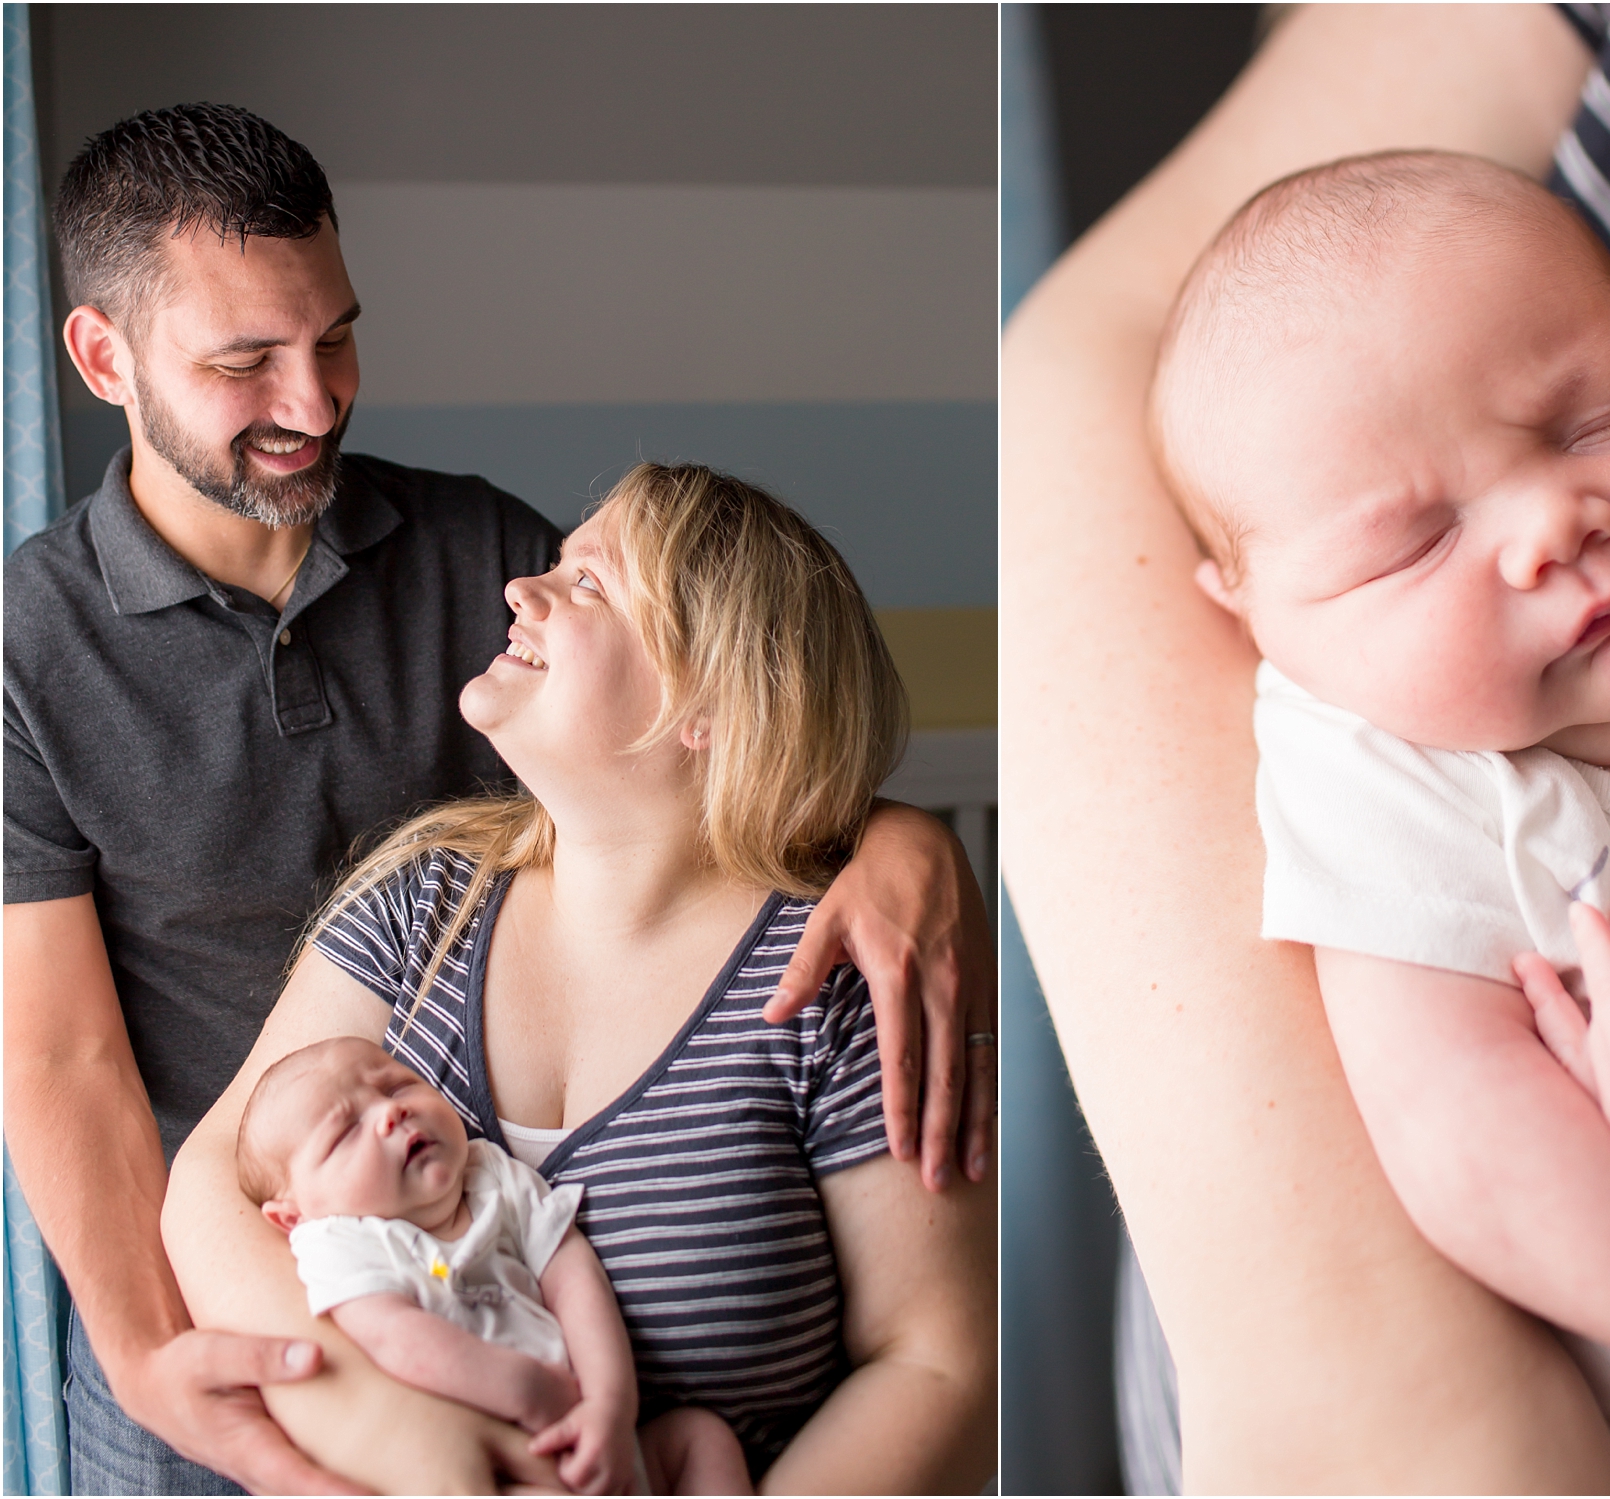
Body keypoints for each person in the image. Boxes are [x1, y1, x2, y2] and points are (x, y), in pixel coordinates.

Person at [1000, 5, 1610, 1490]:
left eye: (1603, 416)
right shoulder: (1369, 758)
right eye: (1413, 542)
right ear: (1257, 614)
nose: (1552, 523)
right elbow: (1473, 1141)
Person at [5, 102, 992, 1496]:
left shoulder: (478, 549)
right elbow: (59, 1062)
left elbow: (723, 724)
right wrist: (146, 1353)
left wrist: (910, 840)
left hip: (482, 1253)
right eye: (246, 362)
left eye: (335, 334)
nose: (315, 398)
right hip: (226, 1313)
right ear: (104, 356)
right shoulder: (26, 649)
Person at [164, 461, 998, 1494]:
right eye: (554, 562)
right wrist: (396, 1432)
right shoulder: (418, 905)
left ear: (707, 702)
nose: (524, 589)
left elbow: (935, 1363)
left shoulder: (837, 972)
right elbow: (210, 1188)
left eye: (590, 583)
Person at [235, 1037, 689, 1495]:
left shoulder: (489, 1171)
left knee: (695, 1438)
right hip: (507, 1458)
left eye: (397, 1087)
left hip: (595, 1424)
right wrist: (521, 1388)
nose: (390, 1113)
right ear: (293, 1217)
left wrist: (609, 1401)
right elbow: (395, 1335)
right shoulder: (340, 1241)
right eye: (345, 1131)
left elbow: (573, 1277)